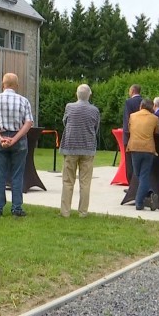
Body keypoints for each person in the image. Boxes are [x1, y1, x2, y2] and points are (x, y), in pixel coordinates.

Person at [0, 73, 34, 217]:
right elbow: (29, 122)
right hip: (19, 140)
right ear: (16, 85)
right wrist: (16, 138)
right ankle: (17, 208)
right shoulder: (23, 101)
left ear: (3, 84)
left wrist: (0, 137)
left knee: (0, 175)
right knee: (17, 175)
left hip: (0, 139)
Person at [59, 84, 100, 218]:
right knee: (85, 182)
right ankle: (83, 212)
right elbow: (96, 128)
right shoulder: (94, 110)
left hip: (70, 147)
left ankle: (65, 212)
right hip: (88, 148)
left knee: (67, 181)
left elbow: (65, 122)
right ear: (90, 95)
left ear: (77, 94)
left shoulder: (69, 107)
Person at [128, 98, 159, 210]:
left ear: (141, 106)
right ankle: (148, 193)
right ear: (152, 107)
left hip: (134, 147)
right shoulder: (155, 118)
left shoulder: (132, 116)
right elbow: (156, 131)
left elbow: (130, 128)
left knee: (138, 174)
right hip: (148, 149)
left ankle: (139, 202)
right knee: (144, 176)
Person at [121, 84, 143, 182]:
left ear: (133, 90)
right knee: (140, 163)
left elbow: (127, 119)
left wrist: (126, 133)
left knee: (129, 162)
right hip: (142, 135)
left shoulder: (129, 102)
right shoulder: (144, 102)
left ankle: (131, 184)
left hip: (130, 136)